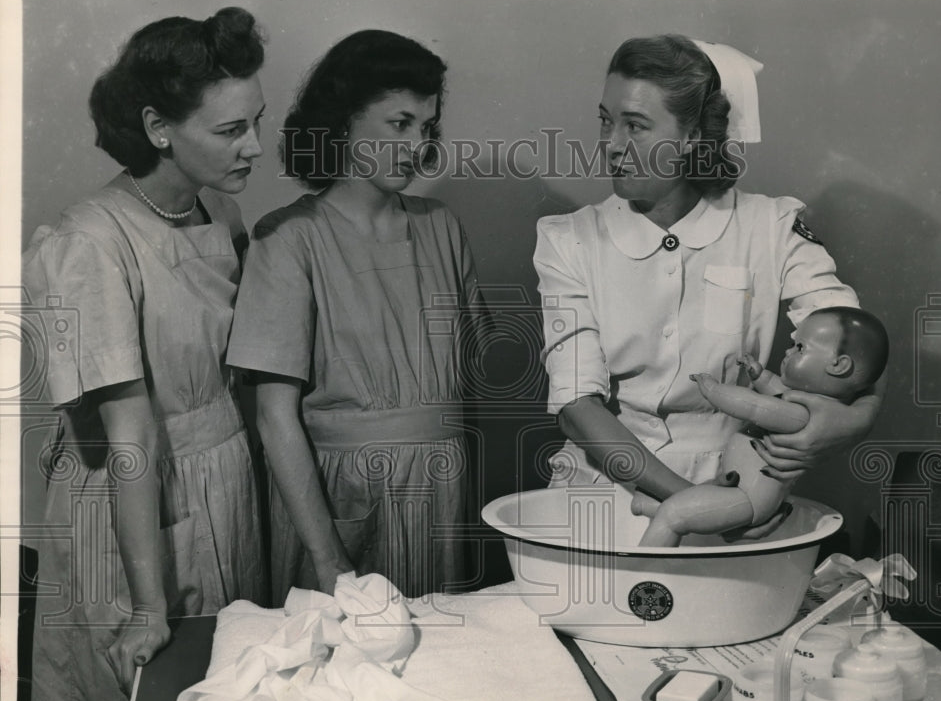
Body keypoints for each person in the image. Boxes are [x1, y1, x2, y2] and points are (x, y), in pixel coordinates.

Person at [21, 7, 267, 701]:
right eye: (231, 130)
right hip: (134, 500)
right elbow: (130, 432)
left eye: (256, 122)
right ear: (159, 127)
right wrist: (149, 607)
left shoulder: (220, 210)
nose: (255, 147)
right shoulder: (89, 242)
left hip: (223, 483)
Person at [533, 34, 885, 527]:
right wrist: (699, 507)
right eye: (606, 121)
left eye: (635, 126)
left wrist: (856, 419)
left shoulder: (771, 227)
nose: (611, 145)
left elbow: (856, 337)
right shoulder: (569, 239)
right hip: (601, 491)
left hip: (736, 479)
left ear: (693, 136)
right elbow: (576, 405)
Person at [227, 30, 489, 603]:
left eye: (427, 128)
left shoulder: (442, 227)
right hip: (340, 503)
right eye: (400, 124)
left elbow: (467, 389)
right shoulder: (289, 238)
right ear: (344, 123)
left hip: (444, 500)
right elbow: (274, 419)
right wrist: (329, 563)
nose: (417, 145)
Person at [638, 307, 889, 546]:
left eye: (800, 347)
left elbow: (753, 406)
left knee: (673, 515)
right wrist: (760, 376)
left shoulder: (803, 414)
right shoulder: (804, 402)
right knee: (685, 504)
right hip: (739, 489)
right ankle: (646, 507)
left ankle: (639, 570)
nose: (788, 351)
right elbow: (775, 389)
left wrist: (713, 390)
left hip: (747, 498)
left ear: (838, 365)